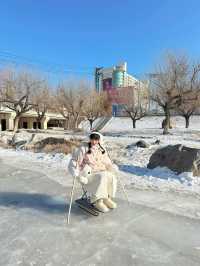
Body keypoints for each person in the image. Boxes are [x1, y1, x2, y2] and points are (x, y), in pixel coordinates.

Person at [68, 132, 118, 213]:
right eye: (92, 139)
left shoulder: (101, 149)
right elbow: (76, 161)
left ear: (99, 140)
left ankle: (106, 198)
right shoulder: (83, 148)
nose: (94, 141)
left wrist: (111, 166)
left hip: (101, 170)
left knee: (110, 176)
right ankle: (97, 201)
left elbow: (107, 161)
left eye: (96, 140)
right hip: (89, 173)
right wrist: (76, 171)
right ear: (89, 139)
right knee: (102, 177)